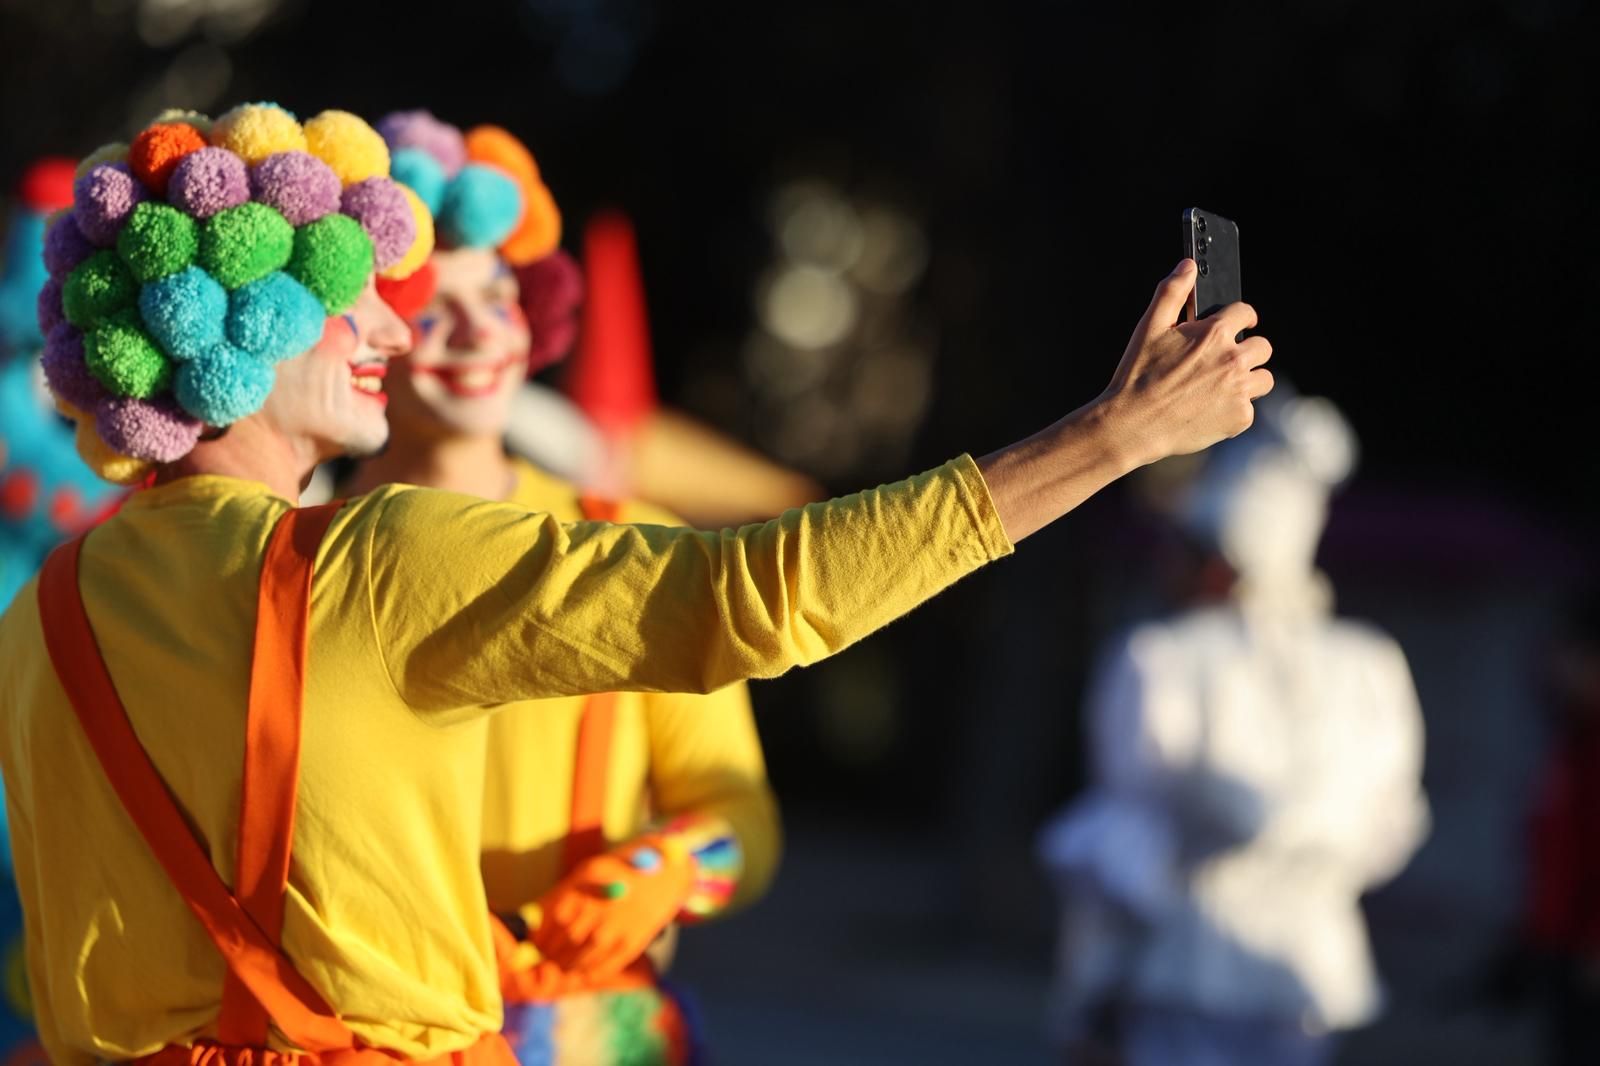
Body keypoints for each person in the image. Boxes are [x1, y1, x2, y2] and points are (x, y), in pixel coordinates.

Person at [0, 98, 1272, 1066]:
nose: (392, 327)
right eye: (351, 301)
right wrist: (1111, 440)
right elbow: (764, 595)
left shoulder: (35, 616)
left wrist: (682, 864)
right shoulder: (382, 563)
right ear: (246, 327)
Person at [348, 112, 781, 1064]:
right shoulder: (296, 555)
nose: (476, 333)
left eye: (497, 295)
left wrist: (676, 866)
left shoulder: (633, 544)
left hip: (586, 1035)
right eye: (431, 310)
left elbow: (740, 813)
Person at [1039, 388, 1427, 1066]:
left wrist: (1085, 999)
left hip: (1176, 972)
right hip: (1305, 973)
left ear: (1221, 560)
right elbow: (1389, 830)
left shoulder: (1157, 659)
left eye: (1183, 548)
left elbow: (1122, 855)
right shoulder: (1369, 664)